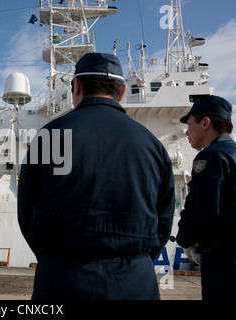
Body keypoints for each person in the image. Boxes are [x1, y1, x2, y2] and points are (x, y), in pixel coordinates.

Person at [17, 52, 175, 300]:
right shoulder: (153, 145)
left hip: (62, 280)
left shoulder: (47, 137)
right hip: (135, 282)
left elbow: (27, 214)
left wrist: (55, 258)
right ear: (122, 92)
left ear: (76, 86)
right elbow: (164, 220)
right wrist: (136, 259)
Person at [176, 95, 236, 300]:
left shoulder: (210, 156)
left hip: (223, 258)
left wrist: (185, 240)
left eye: (190, 124)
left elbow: (203, 209)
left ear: (205, 122)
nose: (187, 132)